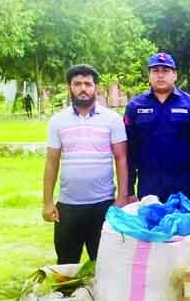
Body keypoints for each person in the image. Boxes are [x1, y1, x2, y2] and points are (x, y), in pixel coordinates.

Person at [42, 64, 129, 263]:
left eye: (88, 84)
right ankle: (66, 295)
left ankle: (99, 296)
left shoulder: (112, 119)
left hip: (103, 206)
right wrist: (47, 203)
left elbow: (122, 159)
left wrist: (122, 197)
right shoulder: (58, 121)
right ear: (69, 88)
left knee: (103, 265)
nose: (83, 88)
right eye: (77, 84)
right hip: (68, 206)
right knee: (66, 264)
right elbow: (51, 162)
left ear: (96, 88)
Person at [123, 52, 190, 203]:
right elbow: (129, 153)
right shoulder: (135, 107)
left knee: (184, 227)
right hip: (148, 190)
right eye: (155, 71)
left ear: (175, 75)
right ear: (149, 75)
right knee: (150, 226)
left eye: (166, 71)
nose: (160, 75)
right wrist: (129, 191)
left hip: (185, 190)